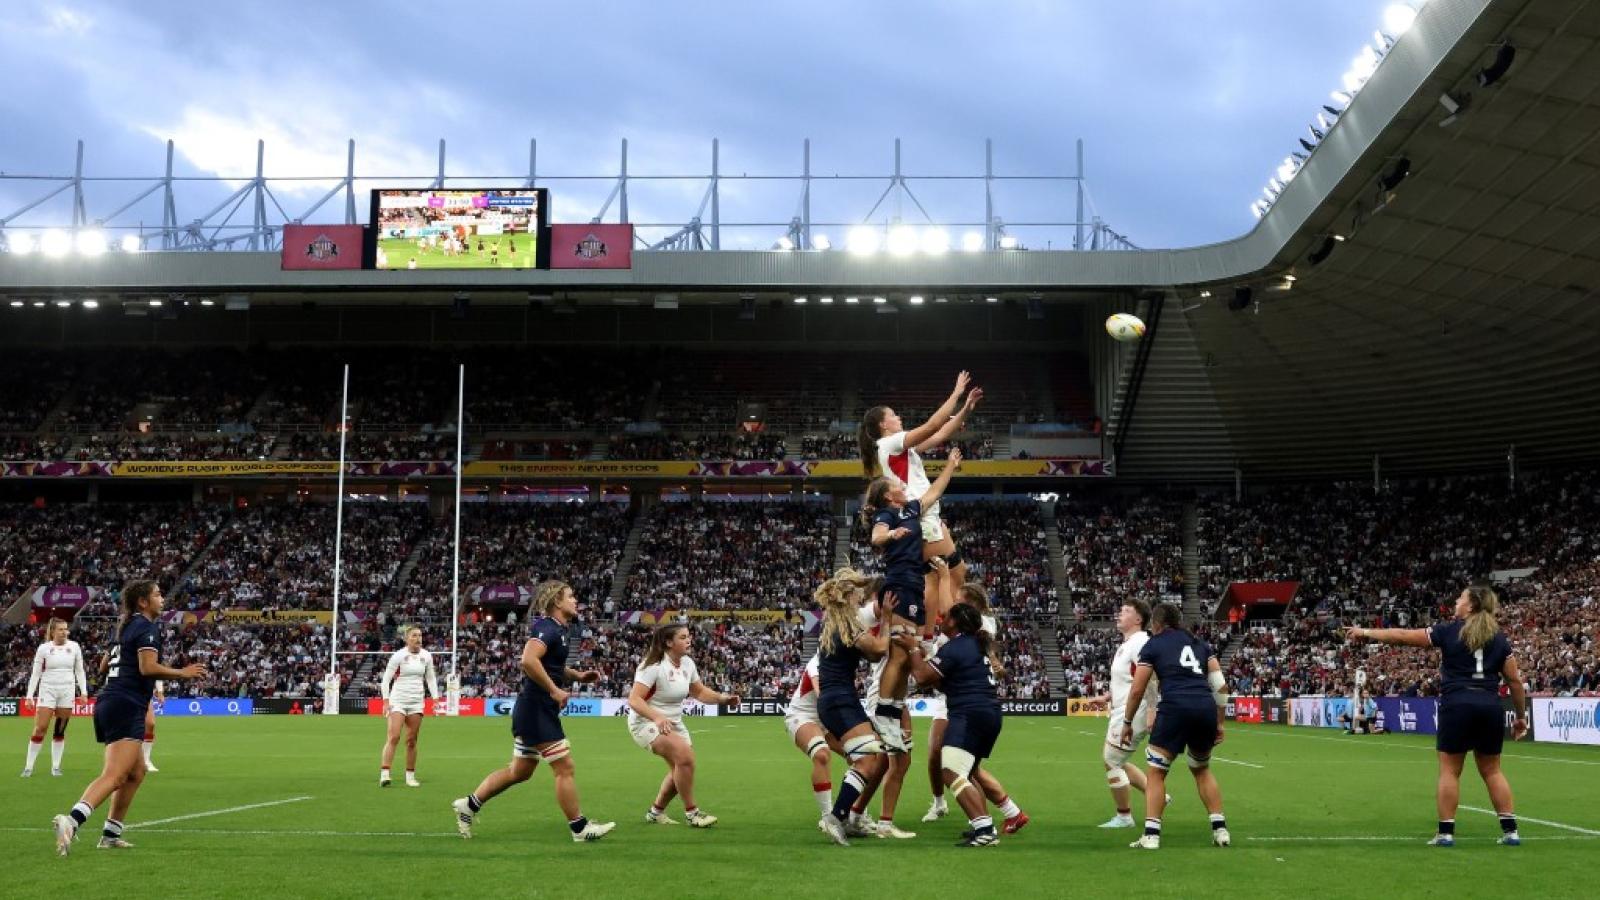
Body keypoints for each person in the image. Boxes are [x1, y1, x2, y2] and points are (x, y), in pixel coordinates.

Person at [1345, 581, 1528, 846]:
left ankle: (1445, 833)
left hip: (1457, 704)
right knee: (1492, 770)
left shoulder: (1449, 631)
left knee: (1450, 771)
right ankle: (1511, 831)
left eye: (1460, 599)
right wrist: (1520, 716)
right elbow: (1514, 681)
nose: (1456, 602)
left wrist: (1366, 631)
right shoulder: (1499, 637)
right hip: (1489, 705)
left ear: (1471, 605)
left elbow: (1404, 636)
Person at [451, 581, 615, 842]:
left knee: (521, 771)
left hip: (535, 709)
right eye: (571, 596)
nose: (576, 600)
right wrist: (554, 690)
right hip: (536, 709)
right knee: (564, 767)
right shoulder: (547, 627)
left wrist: (578, 676)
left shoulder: (561, 630)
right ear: (557, 602)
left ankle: (469, 805)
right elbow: (528, 660)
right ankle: (580, 829)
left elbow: (551, 667)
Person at [51, 581, 206, 855]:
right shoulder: (146, 627)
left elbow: (102, 664)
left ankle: (111, 834)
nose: (162, 599)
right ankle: (72, 821)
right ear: (143, 602)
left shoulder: (123, 626)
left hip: (112, 701)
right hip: (126, 704)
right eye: (157, 595)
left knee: (136, 771)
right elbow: (147, 668)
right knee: (114, 775)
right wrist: (183, 673)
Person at [860, 447, 963, 750]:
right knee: (900, 652)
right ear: (889, 496)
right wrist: (891, 536)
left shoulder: (911, 510)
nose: (902, 486)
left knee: (908, 654)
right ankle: (883, 713)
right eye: (897, 486)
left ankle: (890, 712)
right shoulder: (887, 513)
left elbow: (933, 492)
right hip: (900, 583)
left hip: (914, 585)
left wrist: (950, 466)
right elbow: (876, 536)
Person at [858, 371, 984, 612]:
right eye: (894, 415)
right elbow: (932, 425)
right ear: (884, 425)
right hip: (920, 512)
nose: (899, 417)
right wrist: (957, 392)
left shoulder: (901, 449)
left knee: (955, 574)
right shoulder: (890, 443)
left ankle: (937, 630)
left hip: (926, 512)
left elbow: (940, 433)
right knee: (942, 578)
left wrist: (966, 408)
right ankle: (937, 632)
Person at [921, 574, 1028, 834]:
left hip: (963, 702)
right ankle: (1006, 813)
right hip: (956, 695)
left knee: (951, 761)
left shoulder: (979, 626)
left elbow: (925, 676)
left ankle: (983, 820)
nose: (952, 608)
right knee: (964, 765)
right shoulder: (972, 631)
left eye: (959, 602)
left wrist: (942, 575)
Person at [1121, 603, 1230, 850]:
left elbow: (1138, 689)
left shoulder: (1154, 644)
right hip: (1204, 708)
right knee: (1201, 769)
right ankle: (1220, 830)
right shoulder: (1200, 644)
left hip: (1175, 708)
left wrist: (1127, 722)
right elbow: (1221, 687)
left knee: (1157, 772)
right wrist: (1219, 723)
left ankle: (1151, 835)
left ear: (1156, 624)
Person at [903, 602, 1006, 847]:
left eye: (947, 616)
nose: (941, 618)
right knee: (967, 772)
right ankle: (983, 825)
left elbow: (921, 678)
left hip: (969, 713)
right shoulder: (975, 645)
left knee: (950, 771)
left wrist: (912, 650)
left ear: (956, 622)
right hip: (988, 712)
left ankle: (985, 831)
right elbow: (943, 682)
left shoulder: (956, 647)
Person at [813, 567, 895, 846]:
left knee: (871, 757)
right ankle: (835, 817)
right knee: (868, 759)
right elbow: (879, 649)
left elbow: (870, 655)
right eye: (859, 595)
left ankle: (844, 816)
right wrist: (886, 619)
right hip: (840, 700)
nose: (861, 599)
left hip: (837, 699)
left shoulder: (837, 621)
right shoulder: (847, 622)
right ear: (849, 596)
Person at [627, 623, 739, 827]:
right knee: (685, 758)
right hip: (646, 722)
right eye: (683, 637)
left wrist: (723, 699)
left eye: (689, 636)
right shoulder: (652, 665)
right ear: (669, 642)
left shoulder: (687, 663)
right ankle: (693, 814)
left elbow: (700, 692)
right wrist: (657, 718)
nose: (689, 640)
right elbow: (634, 700)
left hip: (673, 723)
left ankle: (655, 812)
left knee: (680, 769)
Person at [1097, 599, 1164, 828]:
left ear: (1138, 619)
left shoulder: (1141, 642)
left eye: (1125, 611)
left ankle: (1124, 816)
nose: (1119, 614)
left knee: (1111, 760)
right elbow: (1130, 677)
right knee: (1118, 759)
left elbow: (1152, 677)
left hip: (1136, 710)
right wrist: (1108, 696)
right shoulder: (1129, 643)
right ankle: (1158, 795)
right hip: (1123, 708)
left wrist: (1152, 710)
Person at [23, 618, 88, 778]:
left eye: (66, 629)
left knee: (60, 730)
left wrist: (84, 692)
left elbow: (80, 671)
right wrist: (29, 696)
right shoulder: (44, 648)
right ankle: (29, 767)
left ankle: (56, 767)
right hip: (48, 690)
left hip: (67, 690)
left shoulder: (74, 647)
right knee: (41, 728)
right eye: (60, 629)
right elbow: (36, 673)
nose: (65, 632)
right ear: (52, 631)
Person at [379, 625, 440, 787]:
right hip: (398, 700)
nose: (418, 638)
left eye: (420, 635)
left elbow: (431, 679)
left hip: (416, 702)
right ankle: (385, 774)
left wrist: (435, 699)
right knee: (394, 737)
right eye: (414, 635)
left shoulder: (426, 656)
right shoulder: (398, 656)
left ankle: (410, 776)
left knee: (412, 740)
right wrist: (386, 701)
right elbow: (386, 680)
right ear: (407, 639)